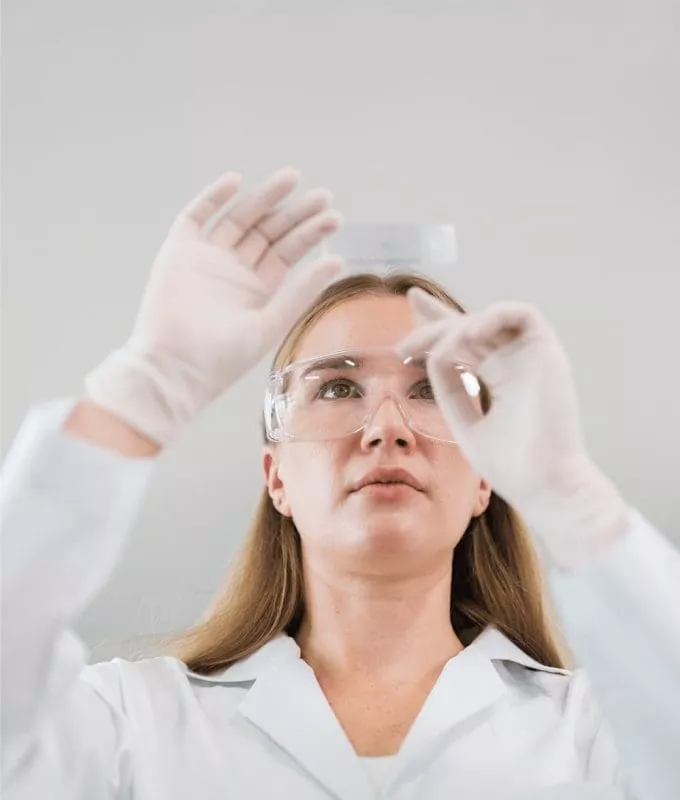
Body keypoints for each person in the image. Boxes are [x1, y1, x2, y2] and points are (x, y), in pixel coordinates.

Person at [1, 168, 679, 800]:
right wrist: (138, 392)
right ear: (277, 479)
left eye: (428, 388)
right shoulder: (129, 725)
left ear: (485, 481)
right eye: (338, 387)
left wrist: (570, 496)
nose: (387, 429)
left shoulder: (591, 733)